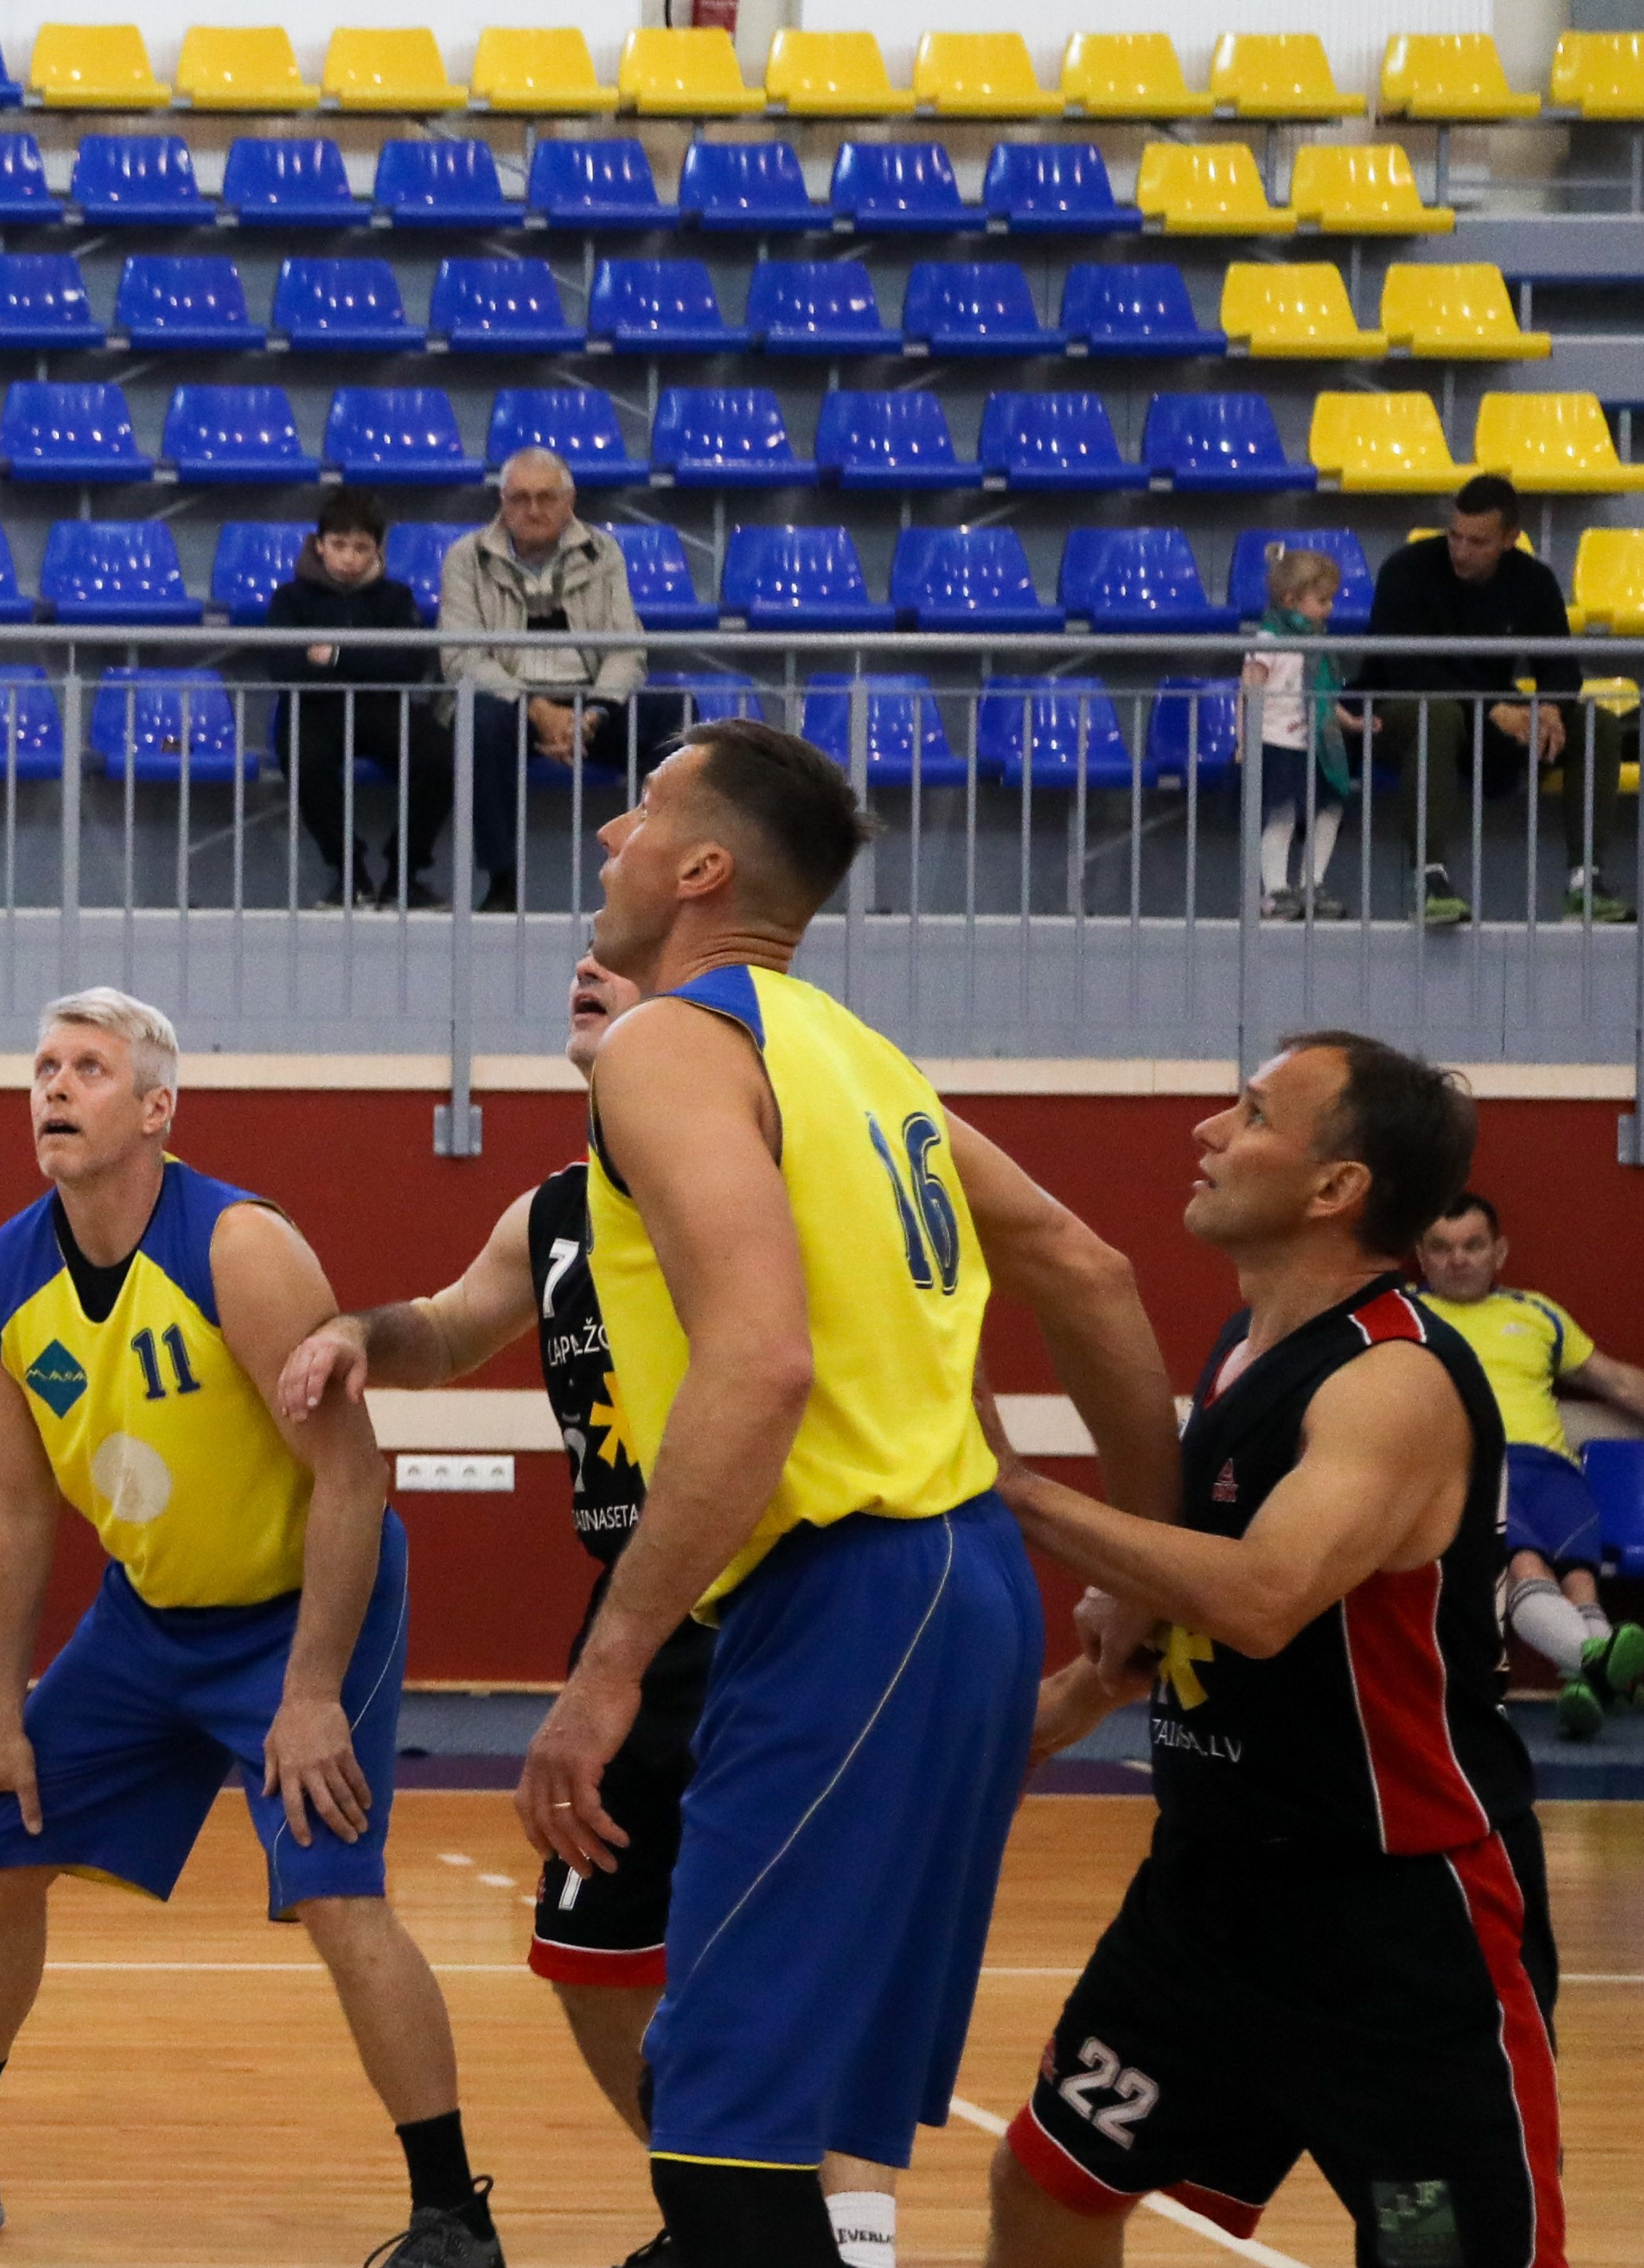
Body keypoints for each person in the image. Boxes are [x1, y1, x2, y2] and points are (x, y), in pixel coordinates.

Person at [278, 952, 1165, 2268]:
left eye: (622, 963)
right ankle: (727, 2206)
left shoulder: (795, 1170)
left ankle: (840, 2228)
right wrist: (357, 1329)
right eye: (581, 966)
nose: (586, 968)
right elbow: (449, 1326)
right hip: (643, 1604)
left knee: (826, 1950)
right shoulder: (548, 1214)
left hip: (792, 1579)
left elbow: (989, 1314)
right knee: (586, 1948)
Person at [531, 719, 1186, 2268]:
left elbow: (755, 1368)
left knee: (715, 2138)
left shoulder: (664, 1044)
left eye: (634, 816)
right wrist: (1143, 1570)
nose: (604, 840)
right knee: (792, 2137)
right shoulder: (856, 1055)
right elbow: (1085, 1269)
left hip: (847, 1591)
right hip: (955, 1592)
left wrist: (605, 1664)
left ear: (702, 869)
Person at [0, 989, 489, 2258]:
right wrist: (2, 1716)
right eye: (44, 1066)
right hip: (146, 1619)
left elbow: (355, 1476)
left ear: (157, 1107)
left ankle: (451, 2210)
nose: (55, 1087)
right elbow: (15, 1505)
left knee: (338, 1892)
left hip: (302, 1614)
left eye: (89, 1068)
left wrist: (309, 1690)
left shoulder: (239, 1248)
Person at [992, 1034, 1564, 2268]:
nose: (1206, 1130)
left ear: (1333, 1188)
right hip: (1209, 1898)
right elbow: (1197, 1610)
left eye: (1250, 1113)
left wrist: (1015, 1491)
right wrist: (1068, 1695)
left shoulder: (1389, 1376)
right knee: (1054, 2177)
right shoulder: (1248, 1348)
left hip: (1392, 1933)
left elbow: (1262, 1597)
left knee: (1430, 2248)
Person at [1416, 1189, 1644, 1737]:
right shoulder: (1405, 1315)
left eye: (1472, 1245)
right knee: (1523, 1567)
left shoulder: (1537, 1313)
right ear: (1419, 1256)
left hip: (1552, 1469)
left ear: (1499, 1251)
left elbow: (1618, 1382)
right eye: (1440, 1247)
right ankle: (1599, 1663)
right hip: (1468, 1468)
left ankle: (1588, 1680)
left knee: (1581, 1578)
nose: (1457, 1259)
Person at [1372, 473, 1612, 927]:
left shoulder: (1534, 581)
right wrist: (1492, 707)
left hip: (1492, 716)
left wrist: (1552, 707)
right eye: (1455, 537)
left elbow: (1560, 665)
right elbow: (1405, 667)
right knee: (1437, 715)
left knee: (1598, 724)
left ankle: (1586, 880)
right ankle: (1428, 878)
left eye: (1478, 542)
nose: (1461, 551)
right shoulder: (1404, 570)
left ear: (1510, 539)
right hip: (1400, 706)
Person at [444, 448, 659, 913]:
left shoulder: (603, 553)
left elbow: (626, 648)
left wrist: (594, 713)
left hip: (591, 697)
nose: (534, 509)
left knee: (675, 719)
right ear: (502, 501)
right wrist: (537, 709)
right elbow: (462, 657)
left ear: (570, 500)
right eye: (520, 498)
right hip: (508, 700)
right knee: (477, 723)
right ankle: (502, 881)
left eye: (546, 497)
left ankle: (655, 880)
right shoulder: (467, 557)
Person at [269, 488, 452, 908]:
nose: (350, 558)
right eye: (339, 545)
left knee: (441, 754)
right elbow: (283, 666)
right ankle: (349, 872)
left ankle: (403, 875)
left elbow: (408, 666)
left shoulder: (396, 598)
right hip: (313, 710)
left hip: (385, 709)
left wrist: (331, 655)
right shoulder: (290, 599)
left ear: (376, 550)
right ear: (319, 546)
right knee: (302, 757)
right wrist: (367, 659)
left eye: (361, 547)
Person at [1243, 540, 1362, 922]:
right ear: (1292, 599)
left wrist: (1352, 723)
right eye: (1323, 600)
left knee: (1329, 810)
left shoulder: (1317, 645)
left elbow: (1324, 696)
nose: (1330, 608)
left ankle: (1312, 883)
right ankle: (1275, 891)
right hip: (1277, 743)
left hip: (1315, 744)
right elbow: (1248, 693)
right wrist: (1242, 740)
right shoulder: (1268, 640)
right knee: (1281, 816)